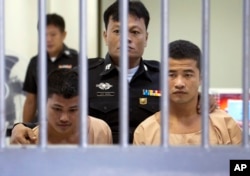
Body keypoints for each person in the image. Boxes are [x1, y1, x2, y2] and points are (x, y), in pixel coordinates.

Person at [11, 1, 217, 144]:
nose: (126, 38)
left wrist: (200, 97)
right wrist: (24, 126)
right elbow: (60, 114)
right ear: (105, 36)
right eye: (117, 31)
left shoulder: (165, 76)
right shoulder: (82, 75)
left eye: (135, 32)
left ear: (146, 38)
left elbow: (187, 102)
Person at [133, 40, 242, 145]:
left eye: (188, 75)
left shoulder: (226, 125)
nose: (179, 83)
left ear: (201, 78)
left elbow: (242, 164)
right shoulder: (145, 132)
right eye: (171, 75)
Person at [10, 68, 112, 145]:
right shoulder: (30, 140)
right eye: (57, 109)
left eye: (73, 110)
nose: (64, 118)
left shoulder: (101, 130)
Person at [22, 13, 78, 123]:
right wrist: (24, 127)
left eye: (53, 34)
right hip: (43, 123)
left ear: (63, 35)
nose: (48, 39)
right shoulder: (35, 62)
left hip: (70, 122)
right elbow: (31, 100)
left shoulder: (77, 60)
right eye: (44, 35)